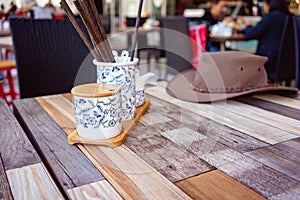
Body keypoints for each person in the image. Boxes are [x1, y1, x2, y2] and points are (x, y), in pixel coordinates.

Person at [243, 0, 292, 79]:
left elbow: (250, 34)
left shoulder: (270, 18)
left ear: (270, 5)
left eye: (264, 4)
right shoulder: (290, 18)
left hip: (268, 62)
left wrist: (248, 26)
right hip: (287, 64)